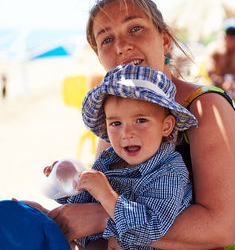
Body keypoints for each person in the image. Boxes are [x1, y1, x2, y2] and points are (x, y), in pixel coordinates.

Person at [0, 0, 235, 250]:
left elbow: (220, 229)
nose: (121, 46)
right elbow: (107, 201)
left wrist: (99, 218)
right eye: (106, 39)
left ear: (164, 40)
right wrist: (52, 218)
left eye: (135, 28)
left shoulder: (203, 109)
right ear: (100, 57)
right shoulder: (117, 121)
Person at [58, 63, 197, 249]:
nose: (126, 133)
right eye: (116, 123)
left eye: (140, 120)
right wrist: (67, 183)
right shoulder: (109, 159)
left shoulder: (169, 172)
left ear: (166, 126)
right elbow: (80, 207)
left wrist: (107, 195)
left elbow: (152, 227)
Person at [207, 23, 235, 101]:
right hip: (218, 85)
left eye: (233, 40)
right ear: (225, 38)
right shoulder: (215, 50)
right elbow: (210, 72)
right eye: (229, 39)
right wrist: (221, 82)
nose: (231, 42)